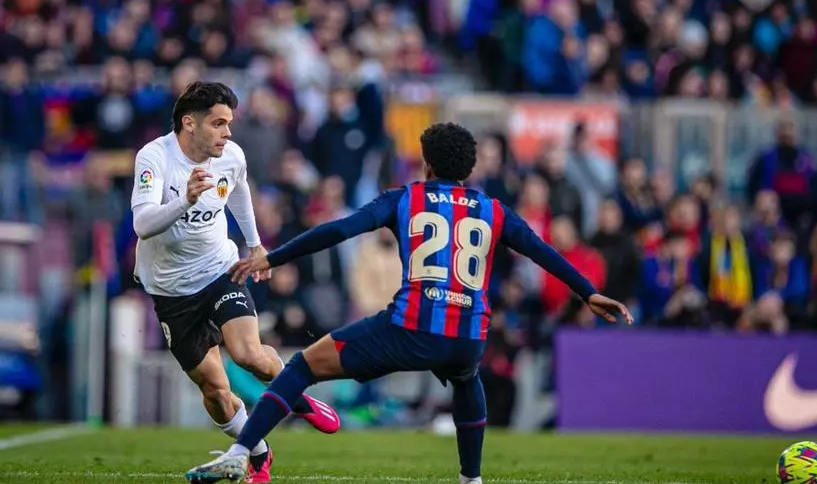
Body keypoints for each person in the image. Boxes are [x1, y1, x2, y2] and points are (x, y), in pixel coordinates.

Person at [184, 123, 632, 484]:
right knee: (466, 377)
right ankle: (471, 478)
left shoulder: (405, 199)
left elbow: (338, 230)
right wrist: (587, 291)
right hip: (467, 335)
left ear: (427, 163)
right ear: (470, 169)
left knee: (303, 365)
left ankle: (242, 452)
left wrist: (273, 257)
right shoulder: (494, 210)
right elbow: (541, 251)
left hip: (409, 329)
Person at [131, 81, 340, 484]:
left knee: (248, 354)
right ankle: (259, 453)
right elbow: (142, 223)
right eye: (218, 123)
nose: (227, 133)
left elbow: (240, 190)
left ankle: (297, 398)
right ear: (189, 123)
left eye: (229, 123)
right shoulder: (154, 157)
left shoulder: (231, 156)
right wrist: (185, 200)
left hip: (220, 270)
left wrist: (255, 244)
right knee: (215, 390)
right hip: (172, 290)